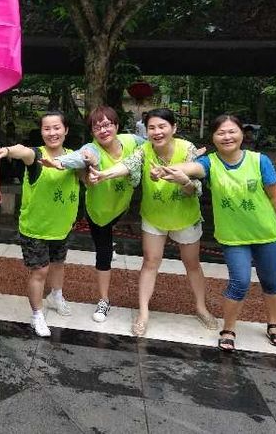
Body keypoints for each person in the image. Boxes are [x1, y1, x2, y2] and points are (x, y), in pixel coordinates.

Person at [156, 114, 276, 352]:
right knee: (239, 282)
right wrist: (167, 170)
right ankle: (229, 329)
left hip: (266, 234)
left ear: (241, 134)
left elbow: (275, 197)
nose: (227, 137)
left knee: (271, 281)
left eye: (232, 131)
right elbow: (193, 168)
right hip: (233, 238)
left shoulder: (260, 161)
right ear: (213, 137)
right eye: (221, 133)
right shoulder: (210, 163)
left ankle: (274, 324)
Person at [88, 108, 216, 336]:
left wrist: (183, 181)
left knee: (192, 264)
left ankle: (201, 307)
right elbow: (128, 165)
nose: (157, 132)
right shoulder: (143, 150)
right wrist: (104, 174)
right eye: (152, 128)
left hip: (185, 217)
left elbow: (195, 189)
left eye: (162, 126)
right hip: (154, 216)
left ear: (173, 128)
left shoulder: (187, 149)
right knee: (150, 262)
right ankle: (144, 312)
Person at [43, 106, 143, 324]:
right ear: (92, 132)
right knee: (103, 252)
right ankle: (104, 300)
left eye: (107, 125)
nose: (103, 130)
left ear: (117, 125)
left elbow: (153, 143)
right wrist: (60, 162)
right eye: (97, 127)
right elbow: (80, 156)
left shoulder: (131, 141)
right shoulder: (92, 149)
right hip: (99, 212)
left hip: (121, 206)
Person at [0, 112, 80, 337]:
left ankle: (56, 295)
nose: (52, 133)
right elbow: (23, 151)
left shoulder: (73, 157)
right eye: (47, 129)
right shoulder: (36, 156)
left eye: (57, 128)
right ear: (41, 132)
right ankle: (37, 315)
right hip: (36, 228)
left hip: (62, 226)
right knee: (40, 271)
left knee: (58, 263)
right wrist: (7, 150)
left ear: (66, 130)